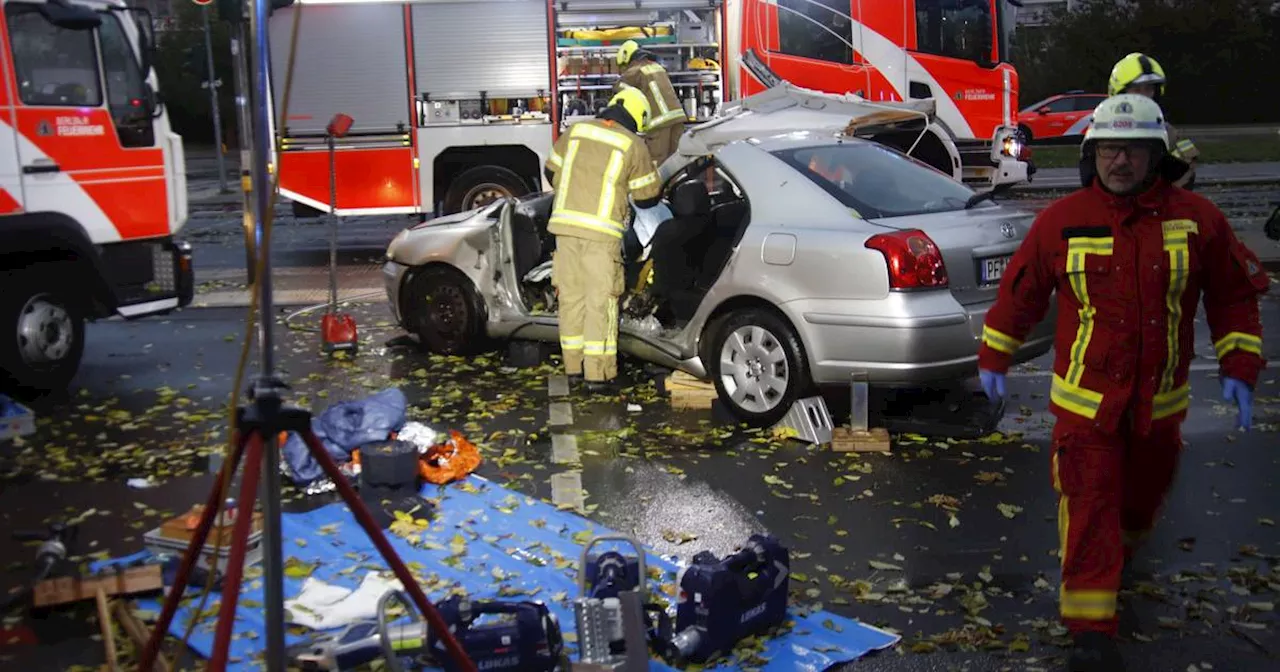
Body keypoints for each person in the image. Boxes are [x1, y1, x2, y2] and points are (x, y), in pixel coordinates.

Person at [977, 94, 1266, 671]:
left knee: (1138, 505)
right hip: (1086, 411)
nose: (1122, 161)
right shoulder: (1062, 222)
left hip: (1161, 409)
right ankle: (1090, 632)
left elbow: (1234, 296)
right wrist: (994, 356)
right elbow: (1021, 293)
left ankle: (1118, 562)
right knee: (1090, 509)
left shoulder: (1197, 220)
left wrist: (1240, 366)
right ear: (1092, 154)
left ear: (1156, 155)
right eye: (1110, 148)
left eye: (1134, 150)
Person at [544, 88, 662, 393]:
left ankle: (573, 369)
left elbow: (550, 170)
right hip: (601, 236)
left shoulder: (576, 131)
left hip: (564, 230)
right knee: (601, 303)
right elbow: (647, 197)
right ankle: (598, 375)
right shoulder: (633, 144)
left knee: (571, 300)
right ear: (637, 117)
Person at [1107, 52, 1198, 189]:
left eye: (1148, 89)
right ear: (1119, 93)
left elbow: (1186, 178)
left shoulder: (1169, 133)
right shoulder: (1103, 132)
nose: (1144, 96)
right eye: (1136, 89)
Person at [615, 40, 687, 165]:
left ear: (627, 59)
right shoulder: (657, 67)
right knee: (676, 163)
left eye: (622, 66)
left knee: (656, 163)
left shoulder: (635, 70)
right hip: (677, 119)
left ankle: (658, 185)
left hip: (659, 124)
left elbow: (619, 88)